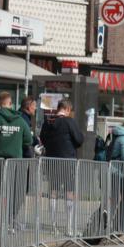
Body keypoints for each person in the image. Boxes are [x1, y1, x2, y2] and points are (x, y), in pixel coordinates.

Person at [0, 91, 32, 230]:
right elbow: (28, 140)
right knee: (16, 191)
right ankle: (11, 219)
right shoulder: (20, 121)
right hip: (16, 163)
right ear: (10, 103)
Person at [39, 99, 84, 235]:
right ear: (68, 109)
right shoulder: (69, 122)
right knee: (69, 192)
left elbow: (42, 139)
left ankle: (53, 226)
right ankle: (69, 227)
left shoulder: (48, 122)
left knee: (53, 191)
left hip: (51, 160)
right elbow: (79, 139)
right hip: (67, 161)